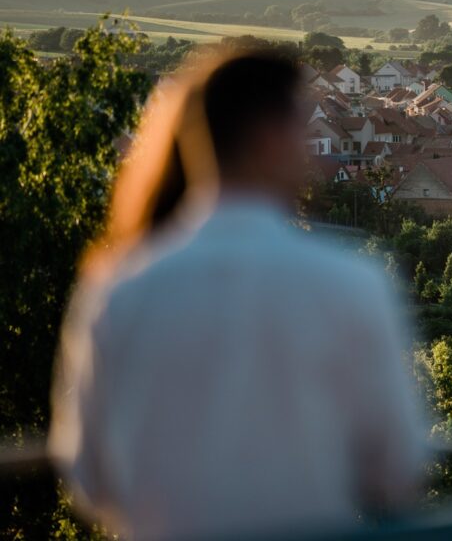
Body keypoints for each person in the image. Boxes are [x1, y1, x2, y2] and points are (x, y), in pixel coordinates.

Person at [49, 50, 425, 540]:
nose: (310, 151)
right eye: (301, 132)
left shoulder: (117, 287)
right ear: (269, 138)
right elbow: (396, 468)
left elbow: (87, 476)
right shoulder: (350, 283)